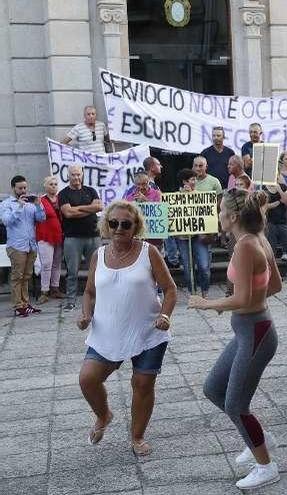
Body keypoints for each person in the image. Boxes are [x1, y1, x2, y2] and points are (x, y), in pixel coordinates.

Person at [188, 189, 283, 490]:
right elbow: (276, 285)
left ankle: (266, 466)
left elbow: (241, 297)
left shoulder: (245, 246)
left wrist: (209, 304)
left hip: (256, 332)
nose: (218, 216)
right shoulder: (256, 239)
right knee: (213, 389)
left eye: (220, 211)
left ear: (232, 216)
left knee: (235, 406)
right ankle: (258, 438)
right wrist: (250, 300)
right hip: (251, 330)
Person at [76, 201, 176, 456]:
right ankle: (104, 415)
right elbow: (89, 291)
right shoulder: (98, 255)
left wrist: (165, 314)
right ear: (106, 225)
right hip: (107, 330)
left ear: (136, 227)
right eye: (113, 223)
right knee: (88, 379)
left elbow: (171, 289)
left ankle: (137, 436)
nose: (119, 228)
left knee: (142, 383)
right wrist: (86, 314)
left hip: (148, 331)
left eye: (125, 224)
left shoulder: (148, 252)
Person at [59, 165, 103, 311]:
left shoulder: (90, 190)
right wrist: (88, 208)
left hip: (93, 236)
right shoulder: (63, 193)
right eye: (73, 175)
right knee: (72, 271)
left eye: (78, 174)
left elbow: (99, 207)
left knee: (97, 270)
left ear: (82, 174)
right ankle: (71, 301)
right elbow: (68, 213)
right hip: (73, 238)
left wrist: (77, 208)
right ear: (68, 176)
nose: (76, 177)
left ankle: (99, 299)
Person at [1, 176, 46, 316]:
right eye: (20, 188)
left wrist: (39, 204)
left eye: (25, 187)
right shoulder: (6, 204)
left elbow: (41, 219)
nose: (23, 190)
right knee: (17, 276)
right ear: (13, 188)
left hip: (31, 245)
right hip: (16, 246)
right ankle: (17, 306)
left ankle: (25, 304)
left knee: (26, 276)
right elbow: (7, 221)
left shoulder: (31, 203)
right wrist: (19, 206)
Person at [175, 169, 213, 297]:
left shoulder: (200, 195)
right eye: (192, 180)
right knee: (187, 267)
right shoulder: (175, 197)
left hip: (199, 236)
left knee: (203, 265)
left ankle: (205, 291)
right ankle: (193, 293)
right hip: (183, 238)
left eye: (194, 179)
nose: (194, 182)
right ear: (184, 182)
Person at [264, 180, 287, 282]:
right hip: (269, 223)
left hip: (282, 222)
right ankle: (272, 274)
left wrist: (279, 189)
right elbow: (265, 206)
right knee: (270, 249)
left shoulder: (281, 186)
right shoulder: (262, 188)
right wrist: (278, 202)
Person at [36, 176, 64, 304]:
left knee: (57, 263)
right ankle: (44, 291)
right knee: (46, 264)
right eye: (51, 184)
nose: (53, 186)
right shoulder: (40, 200)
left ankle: (55, 288)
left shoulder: (61, 199)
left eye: (55, 184)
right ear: (45, 186)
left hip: (59, 235)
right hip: (45, 235)